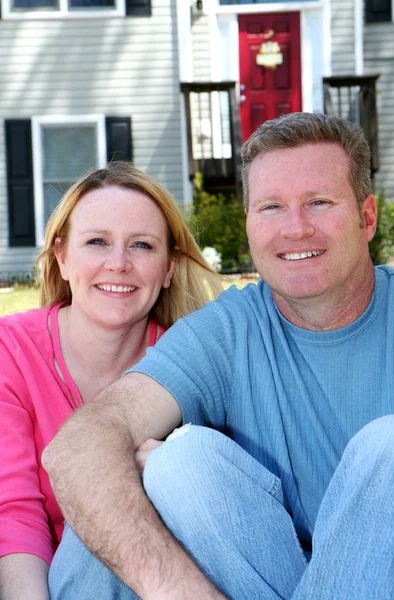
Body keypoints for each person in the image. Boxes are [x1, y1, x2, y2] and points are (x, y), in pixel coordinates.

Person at [44, 112, 394, 600]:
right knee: (171, 464)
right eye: (272, 207)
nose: (295, 229)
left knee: (392, 446)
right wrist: (176, 588)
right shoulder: (227, 332)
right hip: (253, 569)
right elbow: (79, 446)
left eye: (319, 202)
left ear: (366, 217)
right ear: (250, 224)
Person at [0, 161, 222, 600]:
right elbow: (15, 516)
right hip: (59, 585)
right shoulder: (12, 350)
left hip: (174, 580)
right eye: (97, 241)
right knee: (98, 494)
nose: (118, 264)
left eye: (141, 245)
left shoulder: (195, 357)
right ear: (62, 257)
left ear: (169, 268)